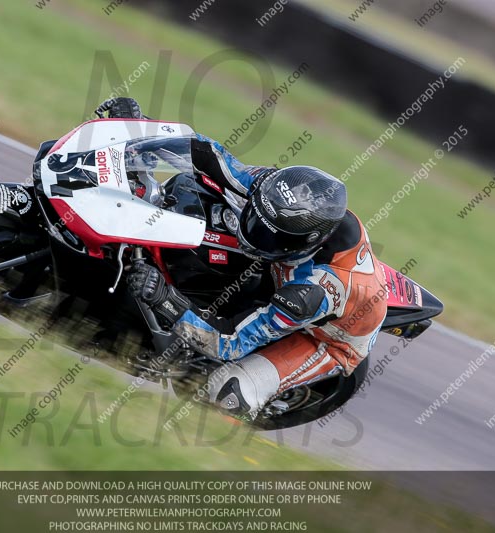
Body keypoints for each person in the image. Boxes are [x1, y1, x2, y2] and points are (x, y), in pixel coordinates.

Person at [119, 105, 387, 419]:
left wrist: (165, 298)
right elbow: (210, 156)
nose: (253, 236)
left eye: (270, 237)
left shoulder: (313, 291)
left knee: (224, 392)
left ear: (304, 244)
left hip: (326, 339)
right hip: (284, 271)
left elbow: (229, 343)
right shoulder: (278, 192)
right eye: (258, 221)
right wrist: (137, 129)